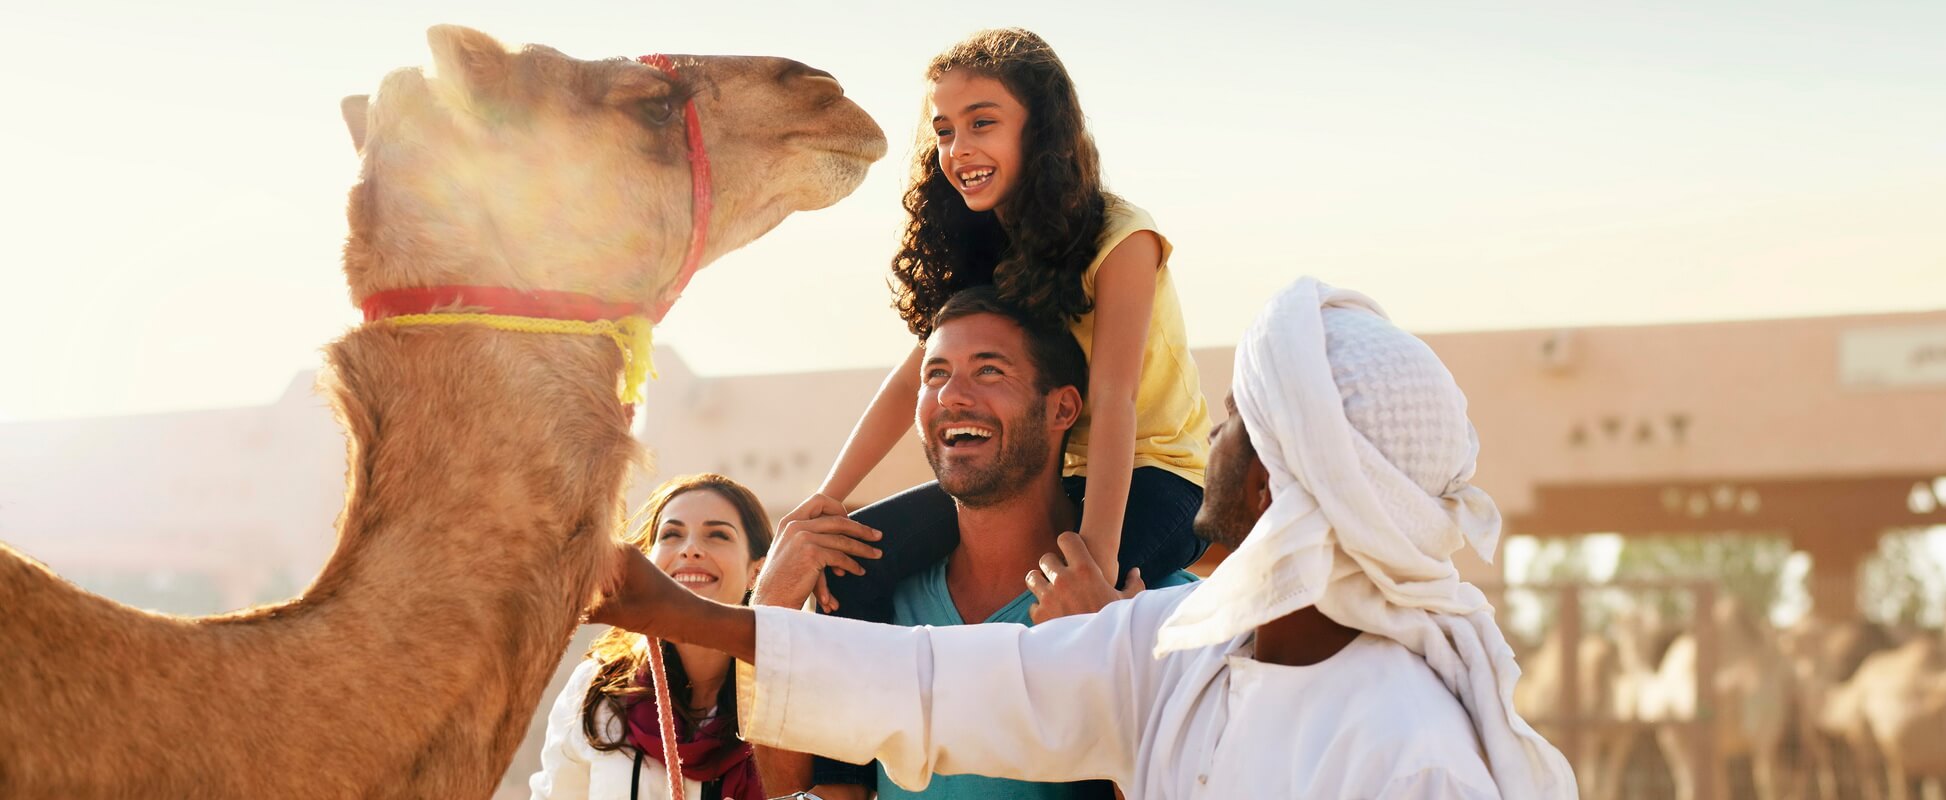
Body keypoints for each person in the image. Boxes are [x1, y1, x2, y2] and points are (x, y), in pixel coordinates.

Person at [594, 278, 1578, 799]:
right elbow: (930, 683)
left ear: (1277, 478)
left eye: (1235, 422)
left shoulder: (1412, 751)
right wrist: (672, 610)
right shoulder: (1170, 647)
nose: (1209, 440)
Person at [781, 26, 1211, 622]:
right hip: (1050, 471)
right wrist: (828, 497)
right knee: (848, 564)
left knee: (1063, 608)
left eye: (982, 123)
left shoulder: (1122, 237)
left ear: (1041, 128)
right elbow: (912, 380)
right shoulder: (987, 248)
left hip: (1155, 475)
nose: (958, 149)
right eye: (944, 130)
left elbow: (1115, 401)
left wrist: (1096, 571)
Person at [772, 286, 1197, 799]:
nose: (951, 395)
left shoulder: (1167, 614)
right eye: (935, 374)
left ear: (1062, 408)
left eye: (989, 370)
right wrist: (772, 611)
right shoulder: (871, 605)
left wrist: (1109, 661)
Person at [530, 474, 773, 800]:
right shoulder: (596, 690)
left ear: (755, 571)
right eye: (672, 535)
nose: (690, 550)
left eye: (717, 535)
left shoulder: (782, 695)